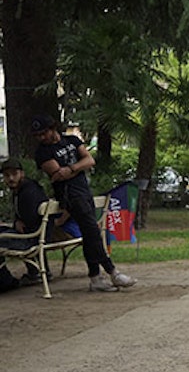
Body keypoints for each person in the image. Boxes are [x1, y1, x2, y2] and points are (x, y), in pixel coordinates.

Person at [31, 115, 137, 292]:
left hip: (84, 191)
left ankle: (95, 278)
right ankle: (112, 272)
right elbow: (58, 174)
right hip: (70, 196)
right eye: (37, 135)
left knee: (89, 234)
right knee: (92, 231)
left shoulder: (72, 140)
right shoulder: (42, 153)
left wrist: (72, 168)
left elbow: (89, 160)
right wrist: (79, 166)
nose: (41, 138)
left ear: (52, 128)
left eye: (43, 133)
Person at [0, 158, 53, 290]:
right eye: (7, 175)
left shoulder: (28, 193)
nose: (11, 178)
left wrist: (16, 225)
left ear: (22, 174)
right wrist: (17, 222)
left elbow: (28, 224)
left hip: (33, 239)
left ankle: (5, 282)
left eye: (14, 174)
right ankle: (38, 272)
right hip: (39, 235)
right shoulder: (24, 189)